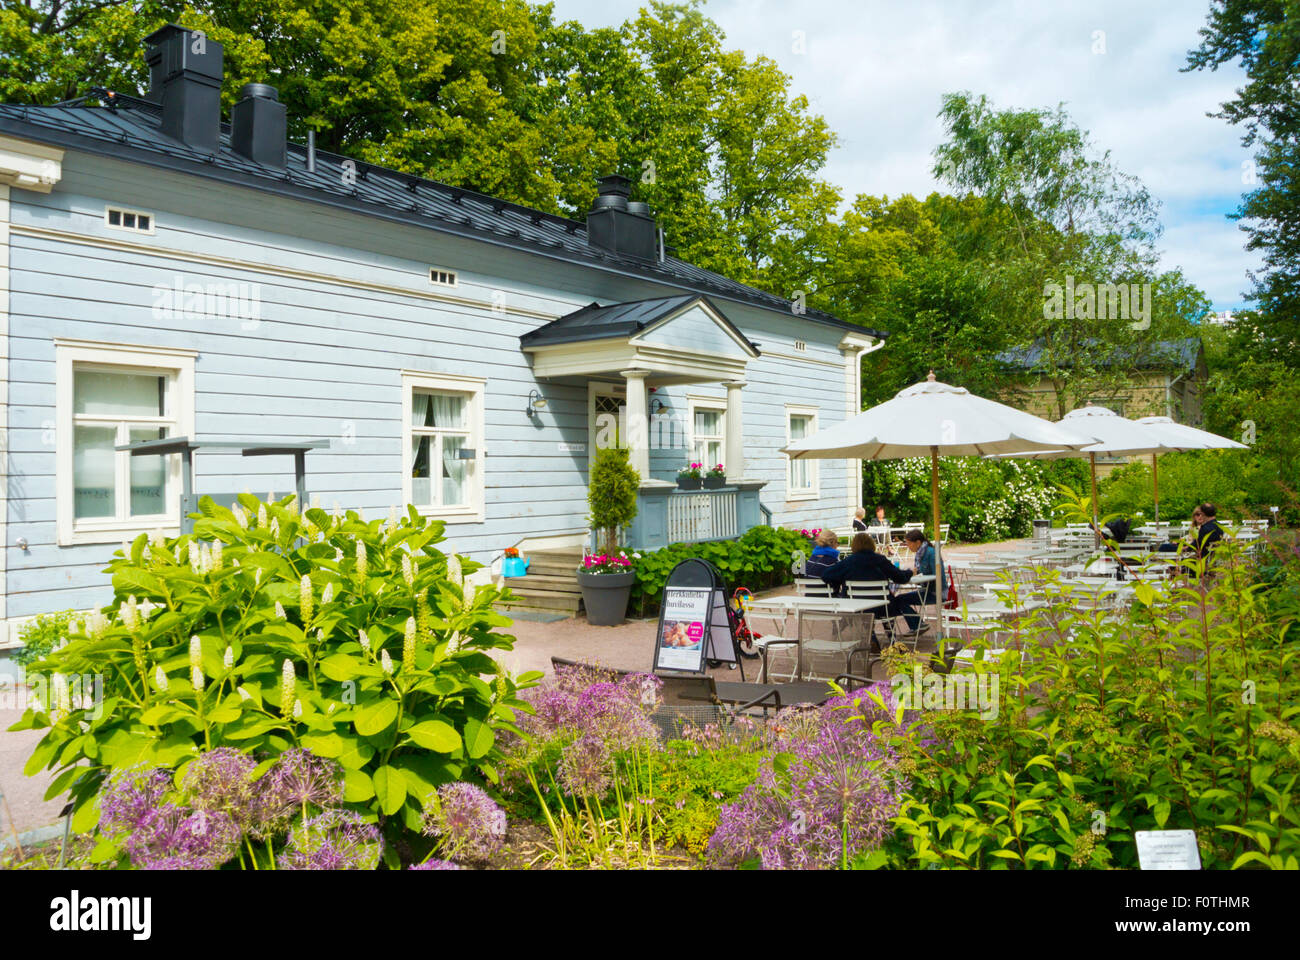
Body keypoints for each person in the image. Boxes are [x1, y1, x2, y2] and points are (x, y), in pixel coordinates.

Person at [819, 533, 915, 644]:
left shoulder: (848, 562)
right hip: (883, 607)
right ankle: (891, 640)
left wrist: (841, 580)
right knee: (889, 603)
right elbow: (900, 578)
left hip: (857, 607)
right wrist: (909, 572)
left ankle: (870, 638)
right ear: (871, 544)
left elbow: (826, 575)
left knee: (859, 604)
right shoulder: (880, 560)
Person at [889, 529, 945, 633]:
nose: (908, 546)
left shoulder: (931, 553)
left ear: (918, 542)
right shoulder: (921, 553)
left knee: (900, 599)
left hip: (936, 592)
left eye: (909, 543)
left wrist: (917, 575)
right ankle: (918, 625)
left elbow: (938, 575)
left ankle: (917, 625)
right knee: (899, 599)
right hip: (928, 589)